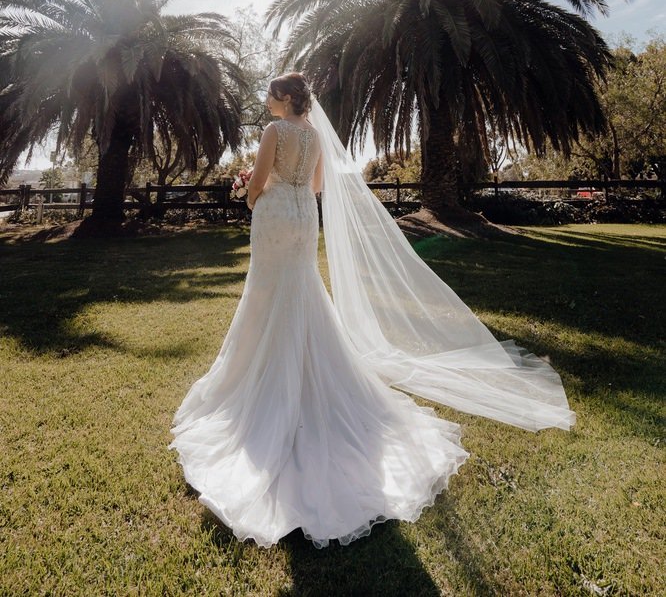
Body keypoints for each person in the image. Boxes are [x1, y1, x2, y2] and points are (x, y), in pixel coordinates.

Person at [170, 72, 574, 549]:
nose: (266, 100)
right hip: (303, 217)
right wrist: (286, 188)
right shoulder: (316, 136)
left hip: (276, 215)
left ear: (283, 98)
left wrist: (248, 193)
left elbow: (258, 181)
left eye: (269, 94)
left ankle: (262, 380)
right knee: (301, 291)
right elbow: (318, 185)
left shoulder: (274, 132)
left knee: (266, 294)